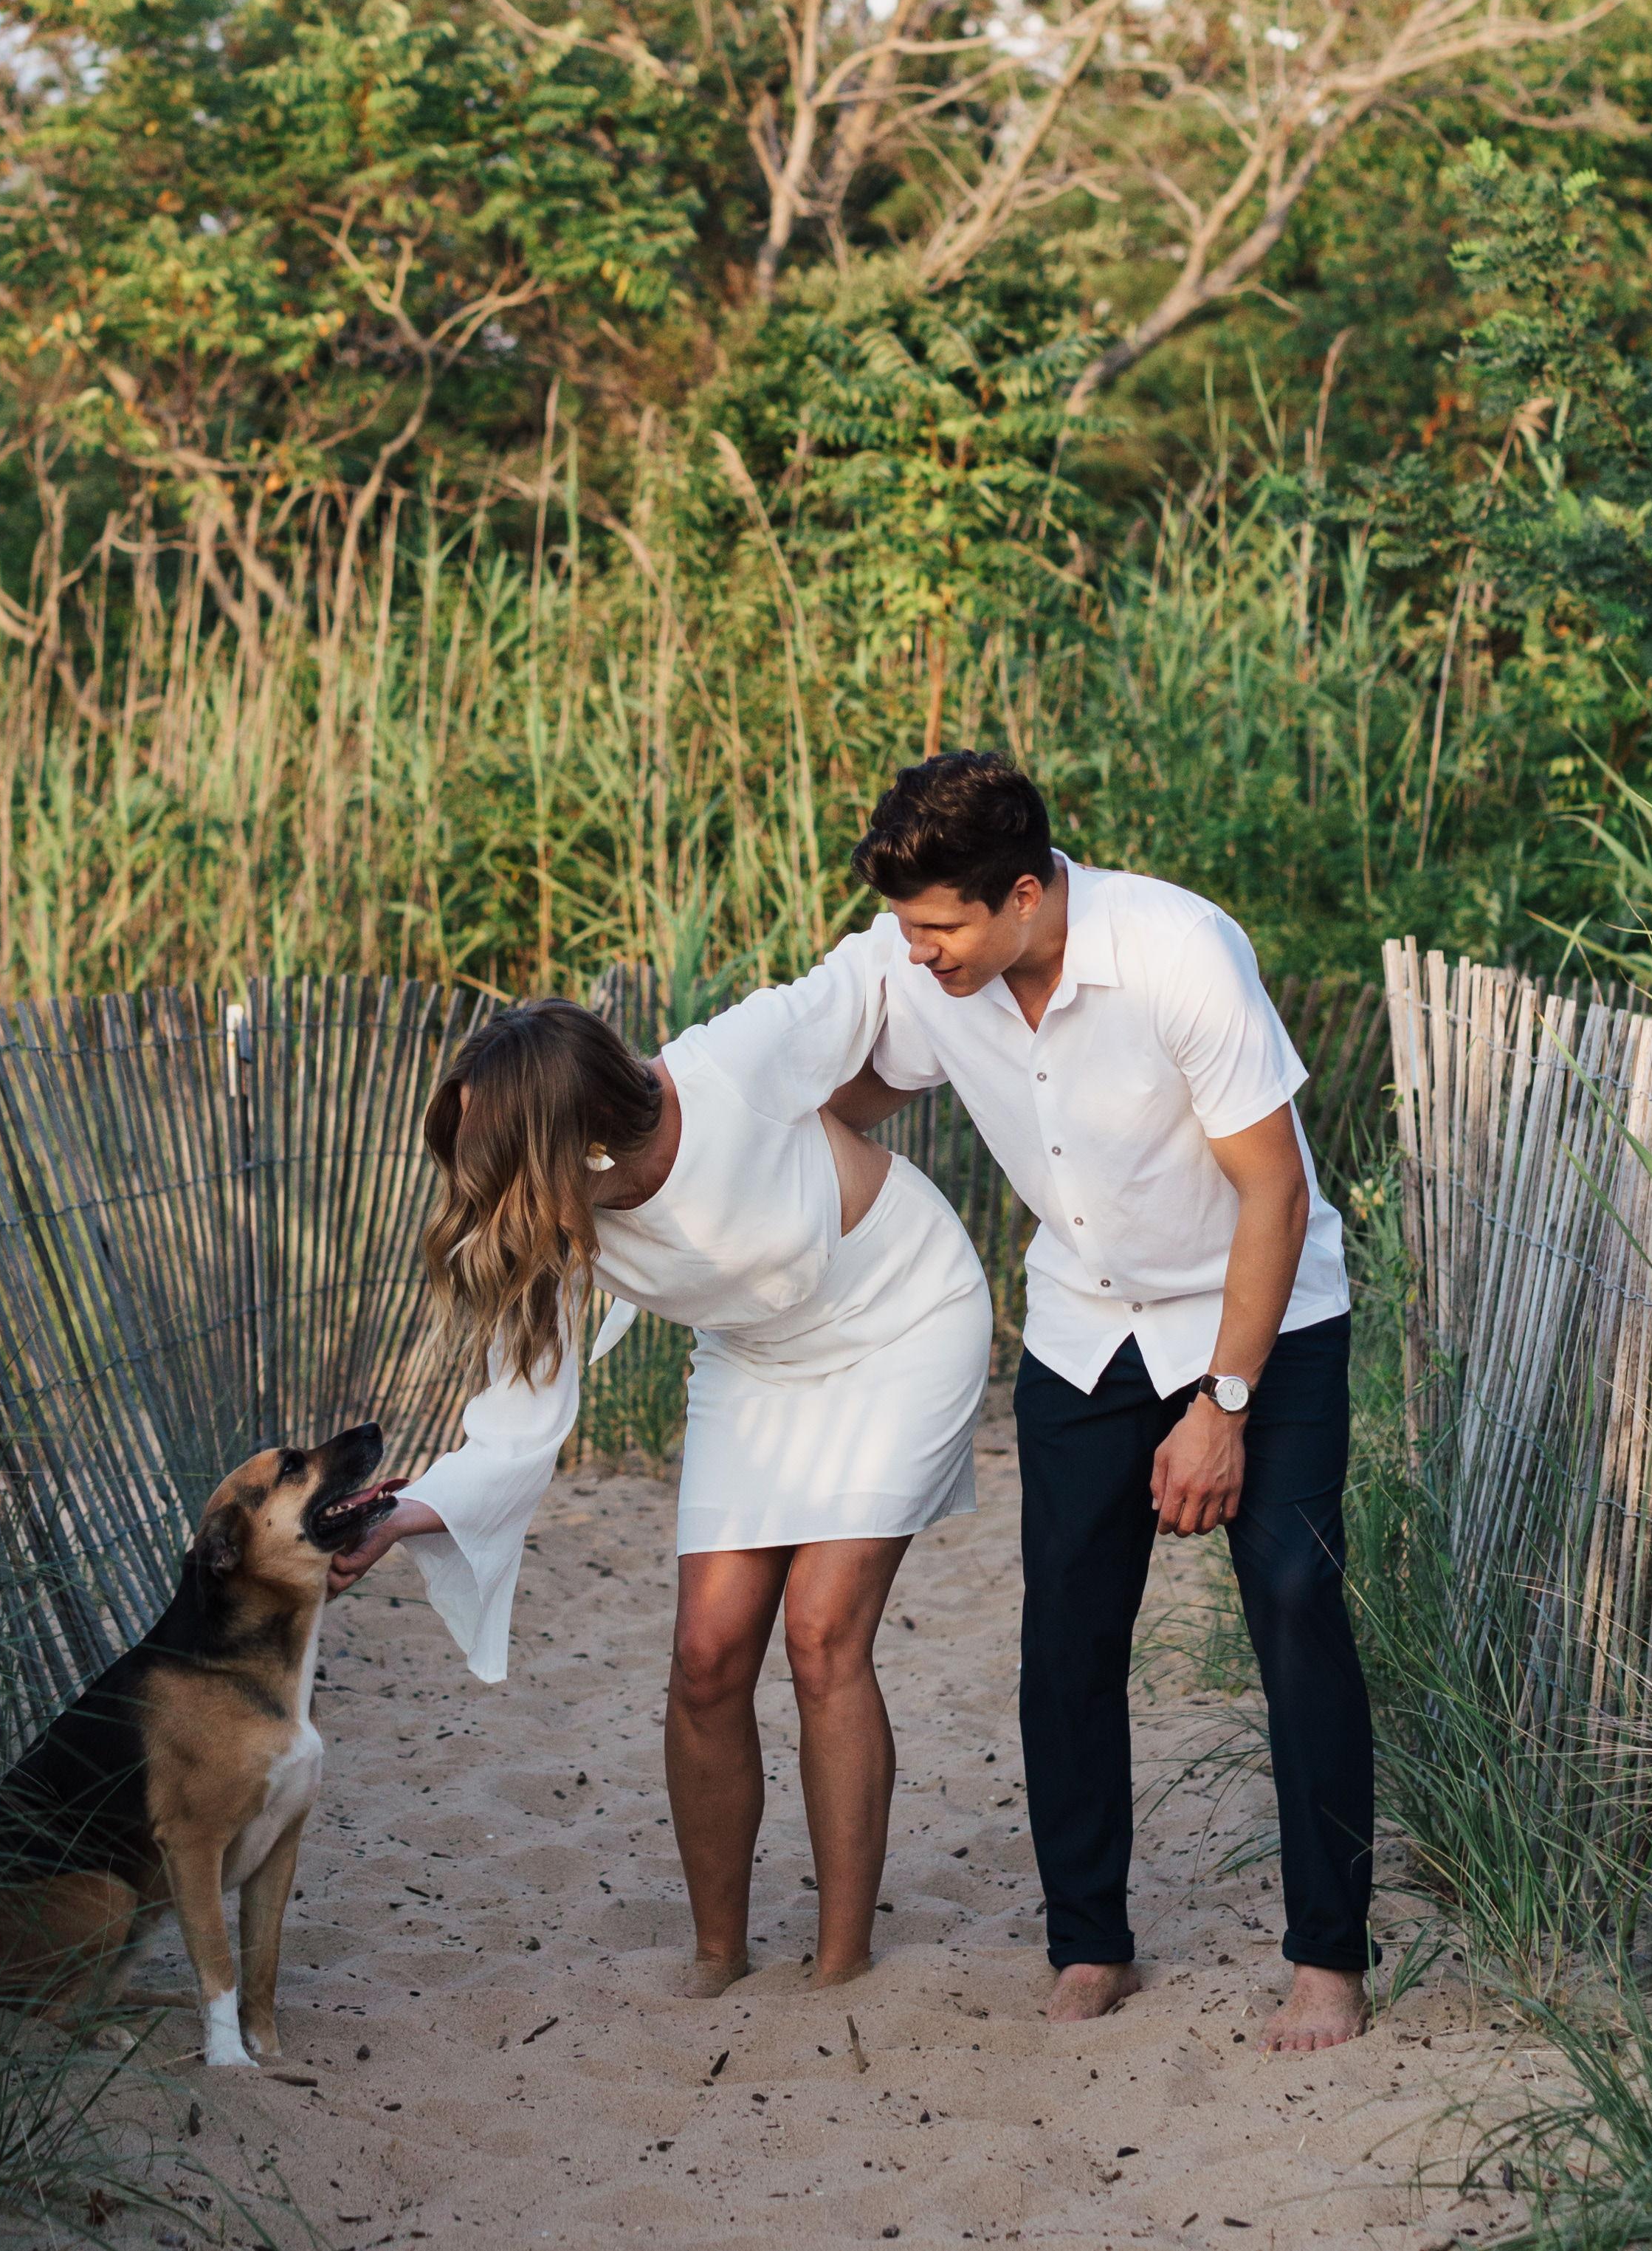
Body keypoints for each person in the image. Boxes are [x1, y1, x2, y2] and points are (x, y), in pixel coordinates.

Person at [821, 750, 1379, 2052]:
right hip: (1081, 1328)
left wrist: (1222, 1405)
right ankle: (1089, 1940)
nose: (920, 953)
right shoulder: (935, 970)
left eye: (942, 925)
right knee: (1064, 1635)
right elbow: (848, 1093)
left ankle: (1327, 1958)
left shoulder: (1179, 948)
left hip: (1263, 1313)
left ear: (1025, 893)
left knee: (1294, 1607)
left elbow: (1276, 1192)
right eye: (907, 928)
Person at [323, 958, 992, 1995]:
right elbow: (520, 1402)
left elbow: (884, 967)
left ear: (575, 1137)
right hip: (757, 1357)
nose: (481, 1190)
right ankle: (718, 1949)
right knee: (707, 1652)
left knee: (820, 1632)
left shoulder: (736, 1060)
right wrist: (412, 1511)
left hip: (903, 1313)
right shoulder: (547, 1214)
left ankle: (840, 1958)